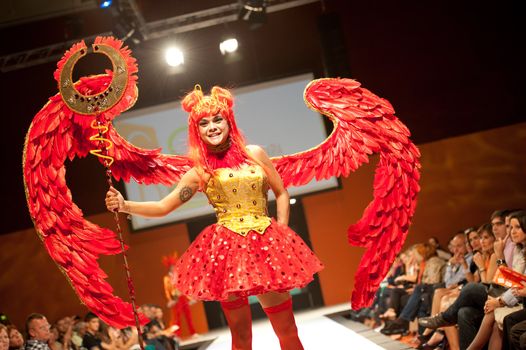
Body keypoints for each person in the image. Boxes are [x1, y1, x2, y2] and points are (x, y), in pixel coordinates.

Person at [105, 85, 324, 350]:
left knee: (288, 330)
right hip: (228, 253)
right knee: (241, 336)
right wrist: (124, 204)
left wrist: (280, 231)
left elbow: (280, 192)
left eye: (217, 119)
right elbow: (164, 206)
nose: (212, 127)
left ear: (228, 121)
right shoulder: (199, 171)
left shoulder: (255, 154)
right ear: (196, 130)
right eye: (204, 123)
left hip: (267, 246)